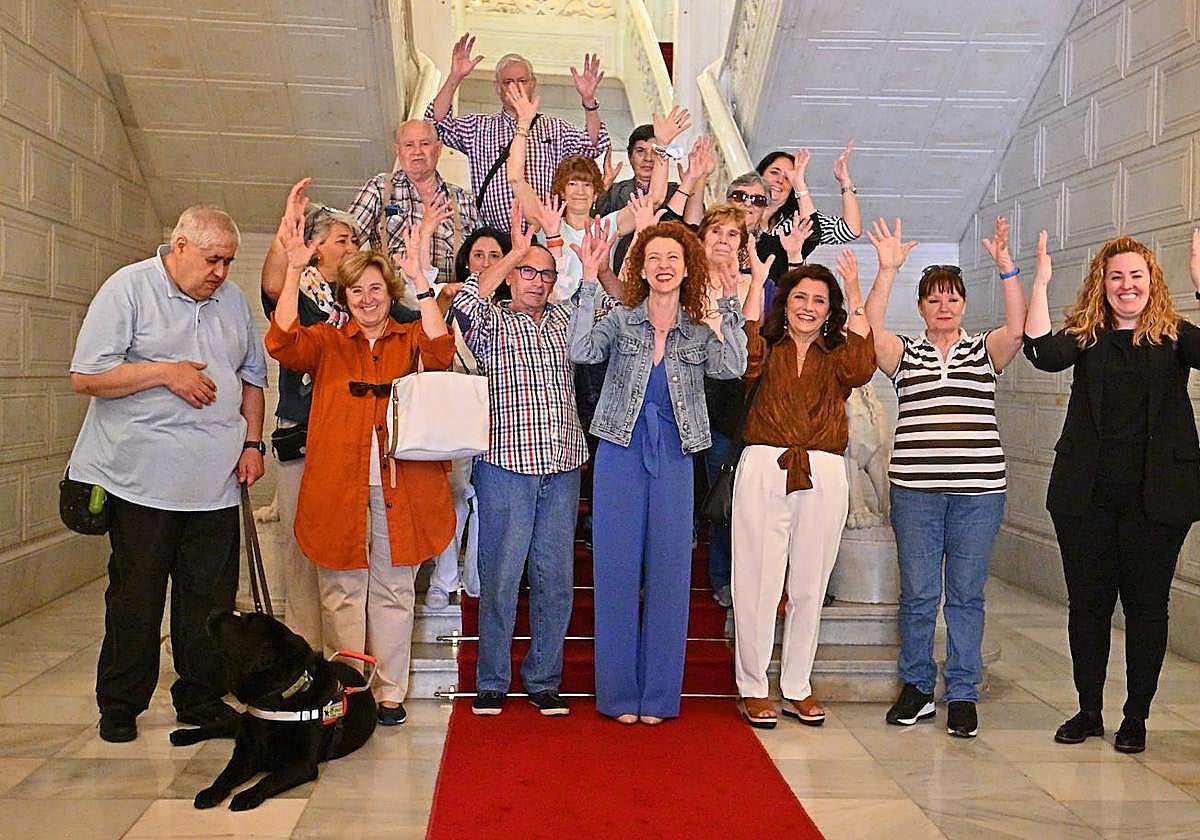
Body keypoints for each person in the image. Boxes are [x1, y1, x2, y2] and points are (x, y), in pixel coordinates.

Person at [68, 206, 267, 743]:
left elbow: (252, 378)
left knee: (208, 604)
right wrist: (164, 373)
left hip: (216, 483)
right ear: (180, 247)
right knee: (136, 598)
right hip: (141, 481)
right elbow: (86, 376)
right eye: (213, 259)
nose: (221, 272)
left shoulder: (232, 300)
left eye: (229, 261)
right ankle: (120, 705)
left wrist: (252, 443)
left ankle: (201, 697)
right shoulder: (128, 289)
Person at [265, 218, 456, 727]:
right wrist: (294, 270)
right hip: (337, 488)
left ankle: (390, 693)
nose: (367, 299)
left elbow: (441, 352)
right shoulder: (327, 342)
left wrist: (421, 280)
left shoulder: (410, 337)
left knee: (394, 590)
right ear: (344, 296)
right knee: (341, 593)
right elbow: (282, 342)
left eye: (375, 289)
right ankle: (347, 691)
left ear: (389, 293)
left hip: (402, 487)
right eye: (356, 290)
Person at [1024, 228, 1200, 755]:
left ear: (1153, 282)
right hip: (1086, 499)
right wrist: (1040, 282)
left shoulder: (1174, 336)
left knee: (1147, 608)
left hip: (1158, 499)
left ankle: (1136, 715)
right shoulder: (1088, 335)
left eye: (1136, 276)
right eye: (1116, 276)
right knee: (1088, 606)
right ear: (1102, 284)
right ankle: (1089, 710)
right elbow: (1041, 353)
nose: (1126, 285)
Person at [569, 220, 748, 724]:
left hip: (675, 455)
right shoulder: (620, 319)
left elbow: (733, 367)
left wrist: (729, 304)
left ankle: (659, 697)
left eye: (673, 258)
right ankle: (617, 696)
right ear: (642, 270)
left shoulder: (698, 330)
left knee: (670, 574)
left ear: (688, 268)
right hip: (619, 452)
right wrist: (588, 281)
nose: (664, 266)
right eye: (654, 258)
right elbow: (581, 351)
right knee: (616, 571)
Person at [863, 217, 1028, 738]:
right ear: (920, 307)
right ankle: (916, 687)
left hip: (979, 493)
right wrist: (887, 269)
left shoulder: (983, 350)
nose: (943, 306)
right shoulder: (906, 353)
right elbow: (870, 331)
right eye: (933, 299)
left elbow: (1019, 328)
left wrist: (1007, 268)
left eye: (952, 298)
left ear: (963, 304)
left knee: (965, 595)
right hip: (915, 492)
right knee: (917, 594)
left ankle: (961, 692)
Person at [454, 203, 593, 717]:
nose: (537, 282)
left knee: (555, 579)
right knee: (500, 576)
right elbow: (466, 297)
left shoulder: (563, 319)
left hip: (562, 464)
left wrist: (583, 265)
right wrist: (515, 251)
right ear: (512, 276)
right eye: (527, 273)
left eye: (545, 274)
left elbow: (601, 305)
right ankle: (491, 680)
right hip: (505, 465)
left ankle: (543, 680)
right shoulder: (492, 321)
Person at [732, 255, 875, 730]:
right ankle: (753, 685)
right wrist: (756, 283)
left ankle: (797, 685)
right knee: (756, 581)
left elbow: (862, 368)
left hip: (823, 469)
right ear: (784, 303)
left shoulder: (837, 353)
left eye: (819, 300)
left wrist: (855, 291)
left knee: (810, 584)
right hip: (764, 464)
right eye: (800, 297)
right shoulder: (766, 344)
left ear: (830, 309)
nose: (808, 307)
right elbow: (743, 356)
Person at [695, 203, 793, 608]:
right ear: (702, 238)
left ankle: (731, 577)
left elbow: (754, 347)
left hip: (735, 402)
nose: (722, 240)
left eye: (732, 234)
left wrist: (752, 284)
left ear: (741, 244)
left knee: (734, 493)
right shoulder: (684, 283)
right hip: (689, 397)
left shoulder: (757, 283)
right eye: (715, 231)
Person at [425, 33, 610, 229]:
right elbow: (436, 124)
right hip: (494, 237)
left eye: (522, 81)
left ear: (533, 84)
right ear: (497, 87)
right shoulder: (478, 126)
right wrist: (455, 77)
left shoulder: (555, 128)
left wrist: (589, 100)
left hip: (544, 235)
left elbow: (593, 145)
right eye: (508, 82)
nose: (515, 87)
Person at [343, 119, 481, 281]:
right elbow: (345, 242)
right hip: (395, 295)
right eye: (409, 145)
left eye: (425, 144)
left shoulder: (463, 199)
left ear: (438, 148)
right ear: (398, 150)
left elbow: (484, 256)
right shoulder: (380, 188)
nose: (417, 151)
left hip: (450, 295)